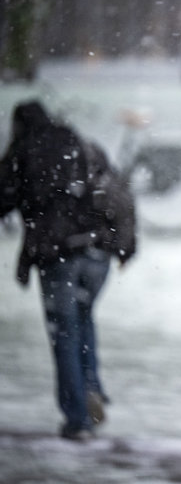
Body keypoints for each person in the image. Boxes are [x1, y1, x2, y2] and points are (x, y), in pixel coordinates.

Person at [0, 101, 137, 441]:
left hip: (57, 254)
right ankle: (89, 385)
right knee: (82, 315)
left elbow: (3, 196)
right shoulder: (82, 145)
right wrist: (125, 245)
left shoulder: (24, 151)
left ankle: (77, 419)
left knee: (64, 332)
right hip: (97, 250)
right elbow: (118, 193)